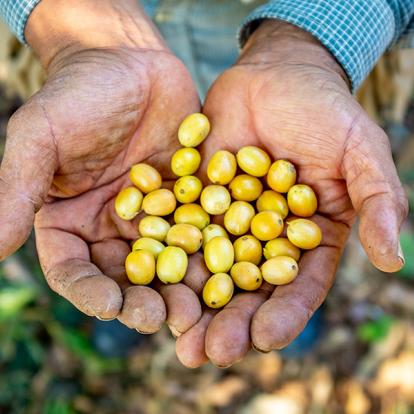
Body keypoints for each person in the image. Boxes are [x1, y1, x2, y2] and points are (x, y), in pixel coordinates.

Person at [0, 0, 412, 369]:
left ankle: (276, 296)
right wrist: (80, 28)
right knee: (124, 281)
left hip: (269, 47)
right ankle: (135, 296)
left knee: (301, 244)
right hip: (111, 72)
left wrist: (306, 46)